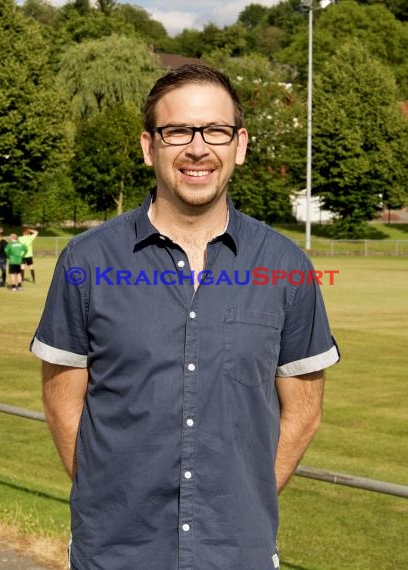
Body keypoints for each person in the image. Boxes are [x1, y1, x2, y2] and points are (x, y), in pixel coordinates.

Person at [31, 64, 339, 570]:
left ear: (239, 144)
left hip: (237, 553)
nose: (198, 148)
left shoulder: (285, 265)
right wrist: (112, 498)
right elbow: (63, 401)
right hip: (113, 553)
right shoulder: (86, 262)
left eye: (215, 130)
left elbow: (304, 412)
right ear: (149, 146)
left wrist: (245, 501)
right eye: (177, 131)